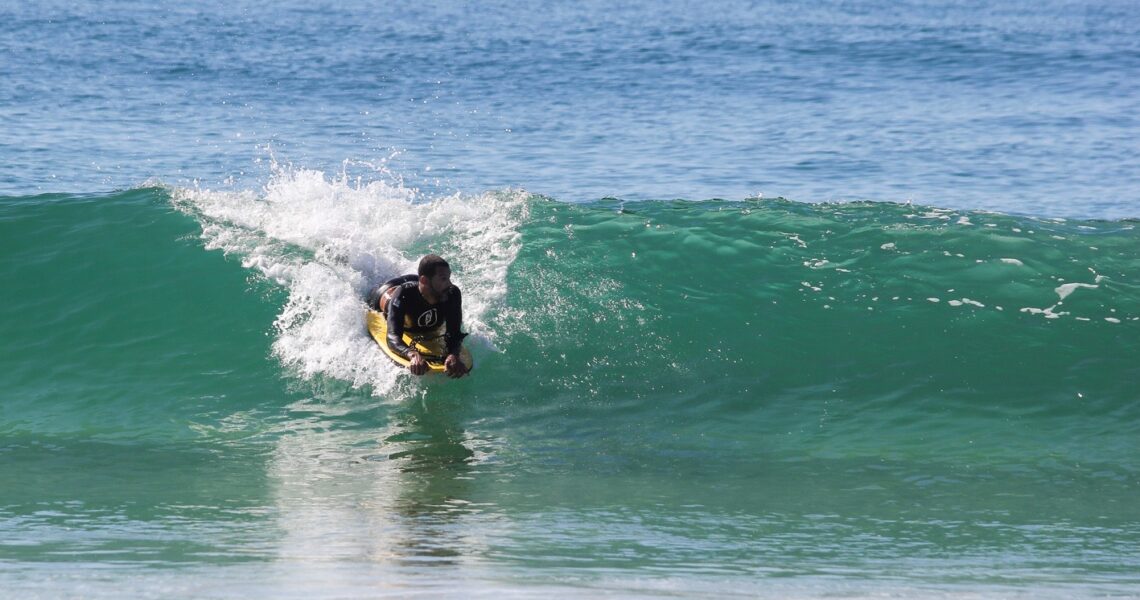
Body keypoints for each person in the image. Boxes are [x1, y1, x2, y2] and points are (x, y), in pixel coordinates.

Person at [369, 254, 468, 378]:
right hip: (385, 292)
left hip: (421, 284)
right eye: (443, 279)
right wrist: (412, 354)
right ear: (424, 281)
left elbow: (454, 333)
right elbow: (392, 337)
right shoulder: (404, 294)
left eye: (449, 278)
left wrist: (453, 354)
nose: (449, 284)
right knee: (372, 285)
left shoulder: (452, 294)